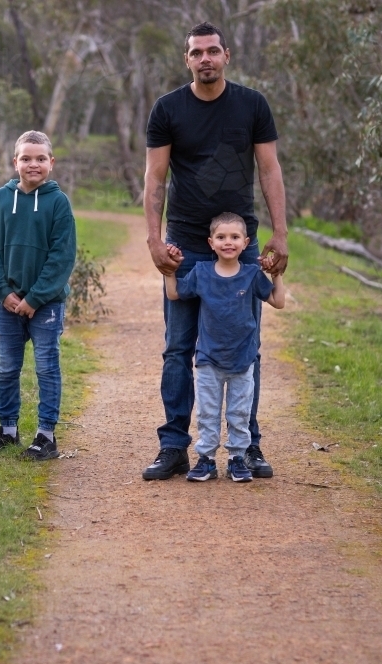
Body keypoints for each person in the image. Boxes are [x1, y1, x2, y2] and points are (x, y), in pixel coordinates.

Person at [142, 21, 290, 481]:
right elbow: (155, 178)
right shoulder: (168, 109)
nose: (204, 58)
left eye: (212, 51)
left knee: (247, 348)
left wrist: (280, 235)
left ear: (227, 55)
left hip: (240, 243)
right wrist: (153, 238)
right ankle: (174, 447)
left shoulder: (252, 105)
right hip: (186, 243)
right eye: (196, 52)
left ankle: (249, 447)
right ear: (186, 59)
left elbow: (269, 170)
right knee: (178, 349)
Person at [163, 213, 285, 482]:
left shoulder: (252, 274)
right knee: (208, 412)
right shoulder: (202, 273)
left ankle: (237, 459)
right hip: (209, 359)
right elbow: (175, 294)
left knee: (238, 413)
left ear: (246, 242)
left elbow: (278, 301)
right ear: (211, 242)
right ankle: (205, 460)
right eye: (221, 237)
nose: (227, 242)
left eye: (234, 237)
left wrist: (275, 274)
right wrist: (170, 272)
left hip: (243, 360)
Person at [0, 130, 76, 461]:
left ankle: (45, 436)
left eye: (39, 159)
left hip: (45, 304)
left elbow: (61, 258)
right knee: (6, 366)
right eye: (25, 158)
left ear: (51, 162)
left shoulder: (58, 203)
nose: (32, 164)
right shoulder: (0, 200)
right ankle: (7, 430)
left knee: (46, 366)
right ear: (15, 162)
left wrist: (35, 298)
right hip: (7, 302)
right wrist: (2, 290)